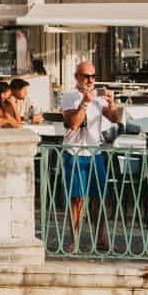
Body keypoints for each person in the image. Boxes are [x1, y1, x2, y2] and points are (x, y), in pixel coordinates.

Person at [60, 61, 123, 248]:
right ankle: (75, 239)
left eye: (93, 76)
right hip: (74, 151)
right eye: (86, 76)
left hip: (94, 151)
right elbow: (73, 123)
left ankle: (101, 238)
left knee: (99, 197)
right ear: (77, 77)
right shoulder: (70, 96)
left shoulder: (97, 97)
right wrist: (85, 102)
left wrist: (112, 103)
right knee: (77, 198)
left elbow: (114, 118)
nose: (90, 80)